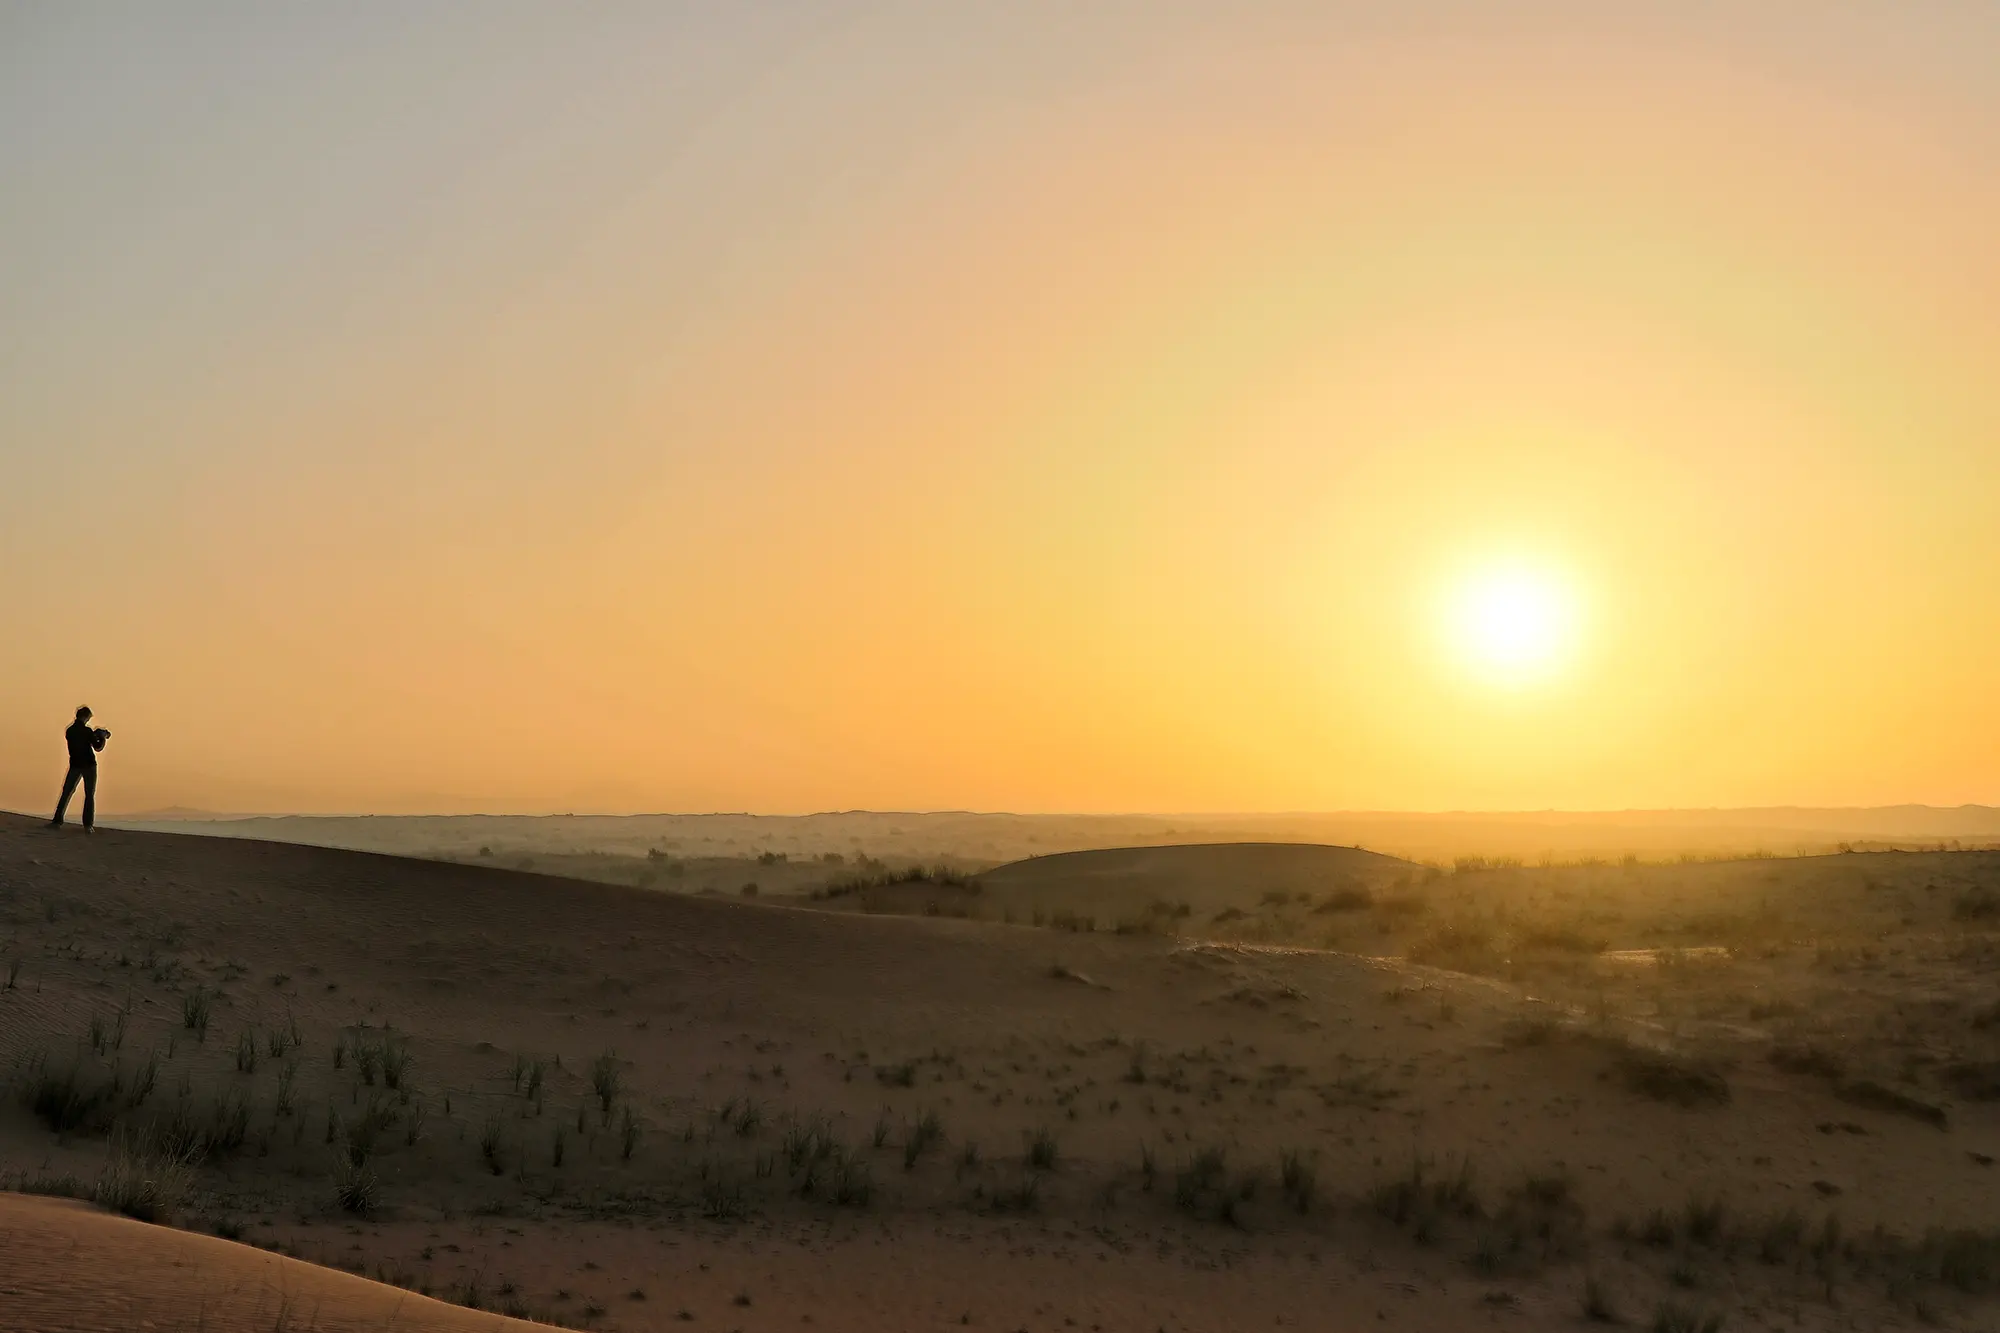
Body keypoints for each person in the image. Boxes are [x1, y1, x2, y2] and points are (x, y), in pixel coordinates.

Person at [50, 706, 110, 832]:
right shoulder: (86, 731)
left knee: (66, 792)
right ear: (85, 717)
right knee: (89, 794)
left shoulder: (70, 731)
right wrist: (102, 737)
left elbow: (80, 741)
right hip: (88, 765)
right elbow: (98, 747)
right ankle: (88, 825)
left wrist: (94, 735)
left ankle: (57, 821)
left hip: (75, 764)